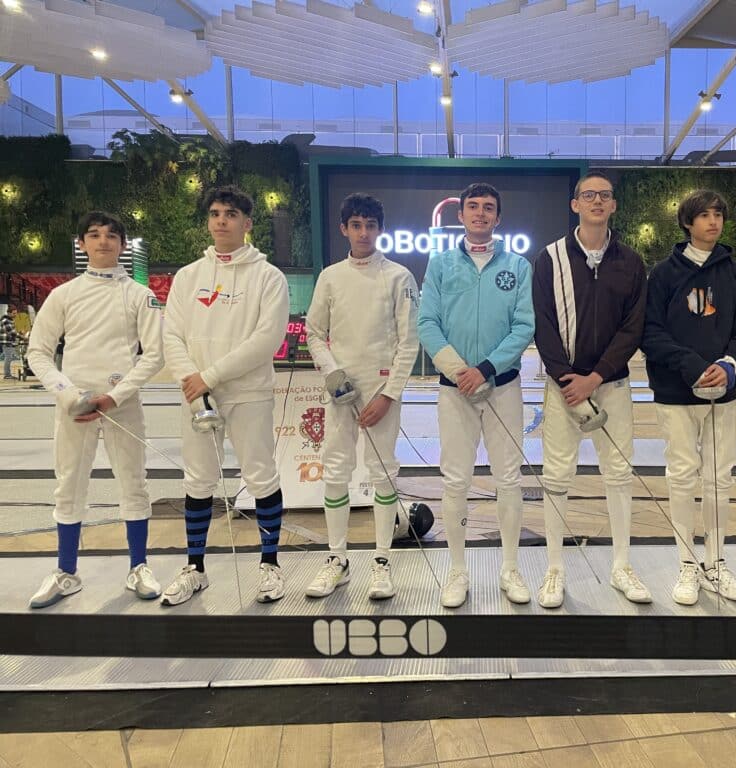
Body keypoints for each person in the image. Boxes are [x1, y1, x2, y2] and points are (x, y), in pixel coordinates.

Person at [160, 185, 290, 606]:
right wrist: (192, 380)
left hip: (248, 392)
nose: (221, 220)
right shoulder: (188, 277)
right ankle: (195, 568)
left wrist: (210, 375)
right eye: (215, 213)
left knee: (261, 475)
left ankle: (270, 565)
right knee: (198, 479)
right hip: (197, 394)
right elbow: (171, 335)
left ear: (247, 223)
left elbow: (267, 339)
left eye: (231, 214)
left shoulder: (268, 277)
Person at [26, 211, 164, 608]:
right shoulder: (63, 295)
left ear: (122, 244)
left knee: (134, 484)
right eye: (94, 235)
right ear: (82, 243)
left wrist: (115, 396)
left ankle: (138, 566)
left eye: (111, 235)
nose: (103, 241)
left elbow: (154, 355)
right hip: (74, 407)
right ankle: (66, 572)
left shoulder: (140, 295)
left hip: (122, 405)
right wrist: (69, 395)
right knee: (69, 485)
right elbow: (38, 352)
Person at [532, 170, 650, 608]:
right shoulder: (550, 258)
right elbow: (542, 323)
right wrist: (569, 380)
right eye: (589, 195)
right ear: (575, 204)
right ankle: (554, 569)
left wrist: (596, 377)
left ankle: (622, 566)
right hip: (563, 388)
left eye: (604, 195)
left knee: (619, 475)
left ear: (613, 205)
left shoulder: (631, 262)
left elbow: (633, 327)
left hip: (611, 385)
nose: (597, 201)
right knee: (556, 476)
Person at [417, 182, 535, 608]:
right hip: (455, 391)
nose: (480, 213)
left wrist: (485, 368)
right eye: (473, 207)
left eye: (488, 207)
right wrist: (459, 371)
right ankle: (457, 570)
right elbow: (427, 322)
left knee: (509, 479)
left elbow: (524, 325)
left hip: (503, 387)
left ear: (498, 218)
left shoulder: (518, 266)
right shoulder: (441, 265)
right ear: (461, 215)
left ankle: (510, 568)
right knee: (455, 480)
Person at [304, 193, 419, 601]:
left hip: (381, 391)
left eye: (371, 225)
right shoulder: (330, 277)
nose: (364, 233)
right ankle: (337, 559)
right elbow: (314, 332)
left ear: (380, 229)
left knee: (383, 472)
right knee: (336, 471)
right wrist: (332, 373)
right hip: (341, 390)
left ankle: (382, 560)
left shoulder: (399, 276)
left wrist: (389, 394)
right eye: (356, 225)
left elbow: (409, 341)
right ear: (344, 229)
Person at [642, 189, 736, 605]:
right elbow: (650, 332)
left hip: (722, 394)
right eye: (704, 215)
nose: (713, 221)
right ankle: (687, 565)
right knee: (682, 475)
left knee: (719, 478)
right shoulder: (663, 274)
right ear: (688, 222)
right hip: (676, 392)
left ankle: (716, 563)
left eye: (718, 214)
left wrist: (729, 364)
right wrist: (691, 365)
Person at [1, 305, 26, 379]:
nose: (15, 315)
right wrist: (22, 337)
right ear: (9, 313)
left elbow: (12, 332)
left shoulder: (10, 320)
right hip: (7, 342)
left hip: (9, 341)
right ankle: (7, 375)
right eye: (14, 313)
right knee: (8, 358)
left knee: (9, 357)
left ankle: (7, 374)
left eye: (16, 313)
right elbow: (12, 333)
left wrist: (20, 333)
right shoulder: (6, 321)